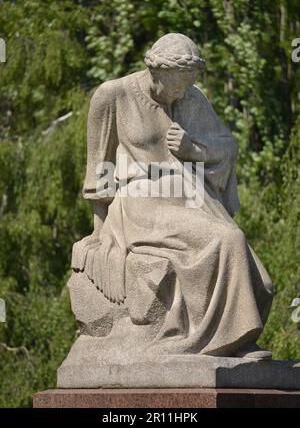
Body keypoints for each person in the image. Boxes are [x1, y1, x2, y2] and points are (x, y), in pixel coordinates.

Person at [72, 33, 273, 359]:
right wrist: (99, 231)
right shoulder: (114, 95)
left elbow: (226, 147)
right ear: (155, 70)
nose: (179, 94)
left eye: (187, 85)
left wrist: (192, 148)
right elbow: (98, 168)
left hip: (186, 193)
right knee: (227, 240)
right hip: (140, 200)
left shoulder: (191, 99)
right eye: (175, 85)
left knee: (238, 247)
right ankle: (226, 342)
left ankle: (232, 340)